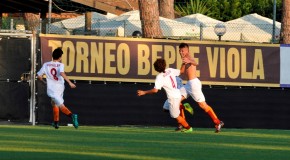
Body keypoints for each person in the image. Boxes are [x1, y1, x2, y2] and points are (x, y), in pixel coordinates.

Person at [179, 42, 224, 133]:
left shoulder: (188, 57)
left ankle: (218, 122)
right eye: (179, 51)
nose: (181, 52)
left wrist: (190, 61)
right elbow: (181, 72)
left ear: (187, 50)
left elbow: (195, 63)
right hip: (188, 85)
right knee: (176, 100)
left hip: (193, 84)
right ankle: (183, 124)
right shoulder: (184, 59)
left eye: (182, 51)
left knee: (203, 105)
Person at [137, 58, 192, 132]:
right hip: (177, 94)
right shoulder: (170, 70)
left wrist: (144, 92)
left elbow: (155, 90)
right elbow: (182, 71)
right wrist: (184, 63)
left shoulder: (159, 77)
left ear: (156, 69)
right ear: (165, 65)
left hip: (173, 98)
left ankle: (188, 128)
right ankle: (183, 106)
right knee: (165, 109)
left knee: (175, 116)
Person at [37, 47, 79, 129]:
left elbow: (39, 76)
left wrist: (44, 82)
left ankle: (72, 116)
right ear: (60, 57)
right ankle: (56, 123)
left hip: (52, 88)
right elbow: (62, 73)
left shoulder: (46, 64)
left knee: (60, 105)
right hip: (60, 87)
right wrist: (69, 82)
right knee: (54, 103)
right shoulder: (61, 65)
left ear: (52, 56)